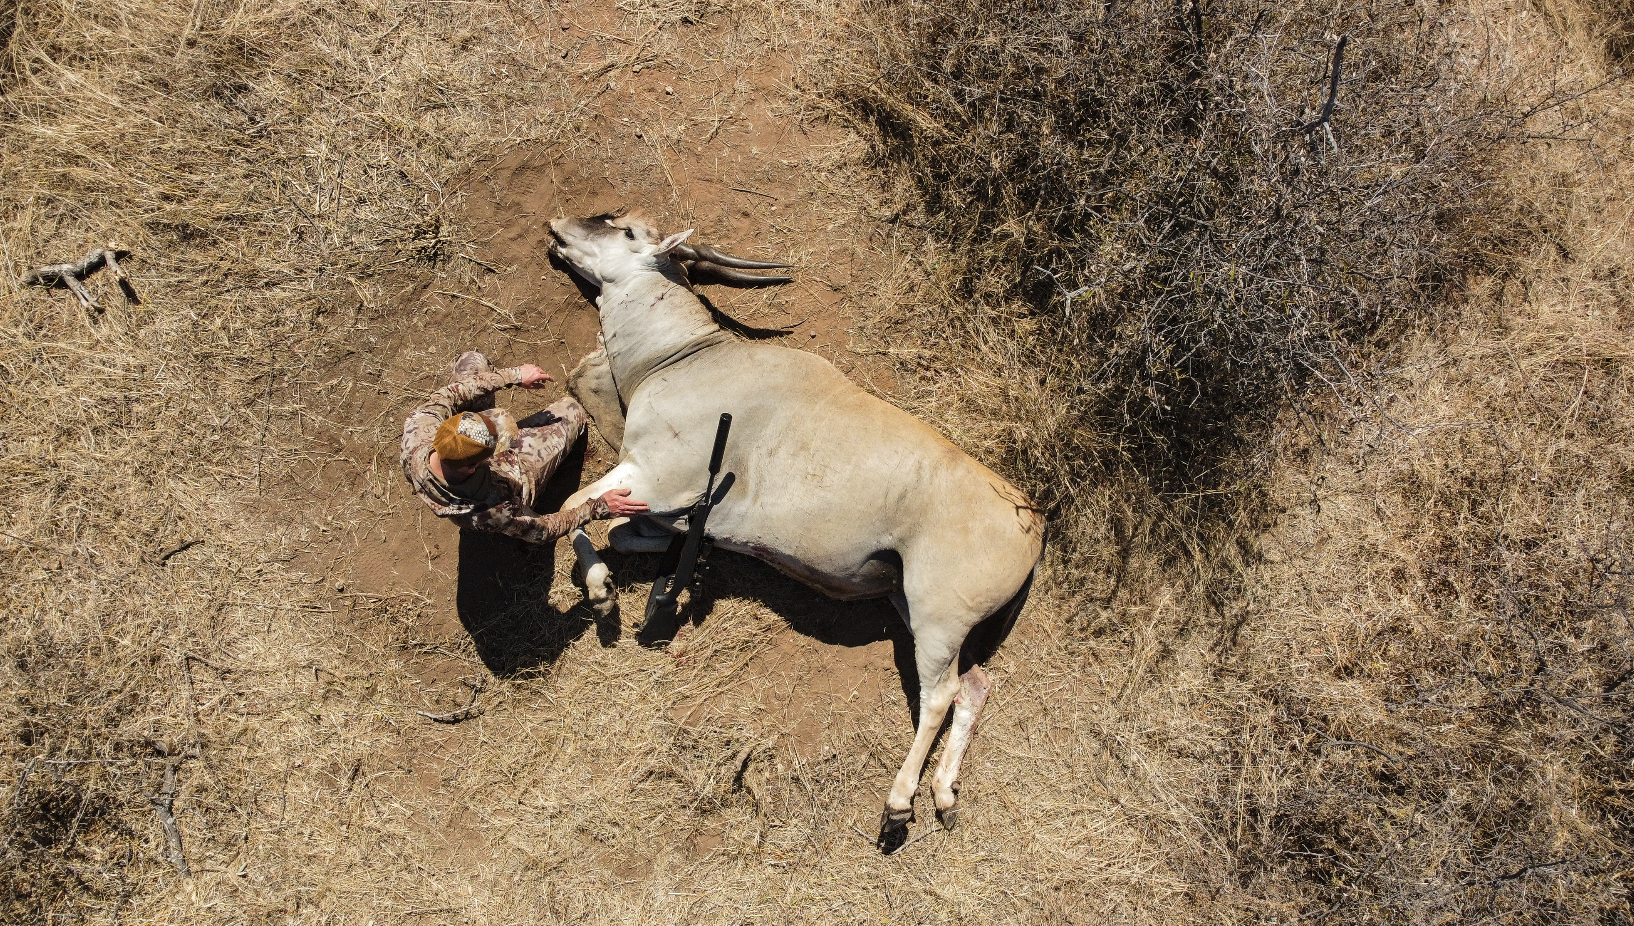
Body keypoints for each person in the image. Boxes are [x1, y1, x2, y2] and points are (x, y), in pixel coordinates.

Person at [401, 350, 647, 542]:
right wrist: (597, 507)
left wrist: (515, 375)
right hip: (515, 477)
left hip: (463, 467)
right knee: (572, 411)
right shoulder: (493, 510)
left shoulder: (418, 432)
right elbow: (543, 530)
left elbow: (454, 392)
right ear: (474, 466)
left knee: (471, 362)